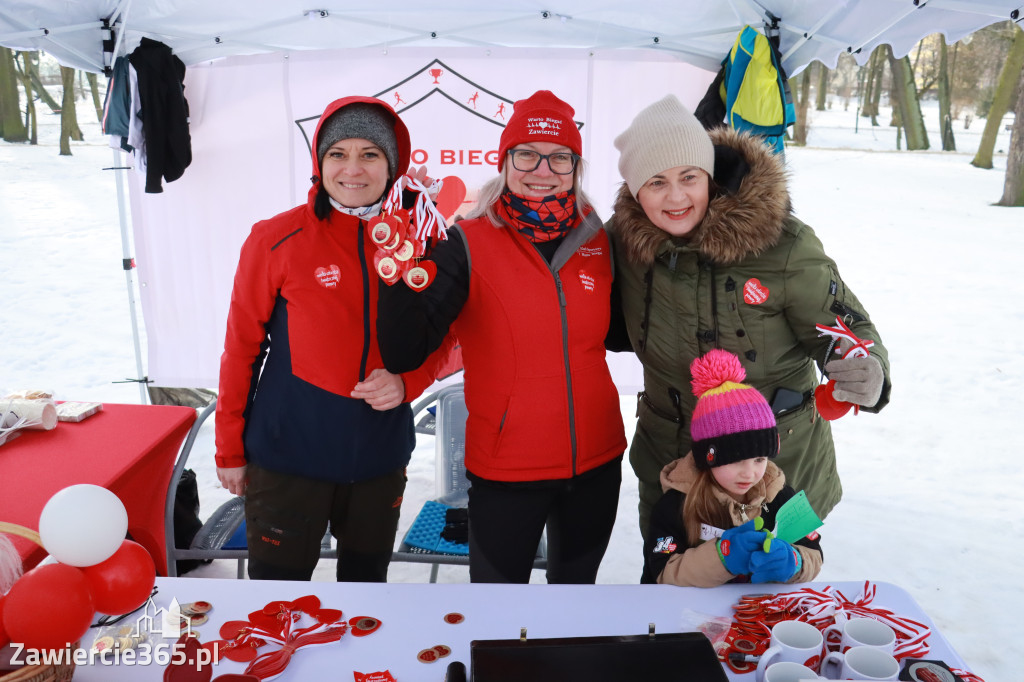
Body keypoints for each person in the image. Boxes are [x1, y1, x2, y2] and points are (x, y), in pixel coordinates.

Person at [608, 94, 890, 542]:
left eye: (689, 177)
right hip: (675, 463)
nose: (676, 196)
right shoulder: (624, 245)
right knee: (673, 584)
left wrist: (866, 366)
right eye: (656, 182)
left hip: (776, 468)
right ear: (635, 190)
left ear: (711, 176)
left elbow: (845, 327)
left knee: (776, 591)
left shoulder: (783, 243)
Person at [377, 90, 627, 584]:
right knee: (497, 611)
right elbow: (411, 345)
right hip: (506, 470)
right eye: (527, 154)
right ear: (505, 160)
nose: (543, 169)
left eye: (560, 157)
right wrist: (398, 266)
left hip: (597, 461)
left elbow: (626, 331)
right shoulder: (465, 242)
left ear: (576, 167)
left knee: (574, 601)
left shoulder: (600, 238)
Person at [215, 96, 456, 582]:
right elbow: (241, 347)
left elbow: (448, 338)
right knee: (274, 600)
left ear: (393, 165)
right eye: (337, 153)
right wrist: (229, 449)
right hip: (288, 456)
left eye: (370, 153)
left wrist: (409, 382)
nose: (353, 168)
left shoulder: (423, 240)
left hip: (377, 457)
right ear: (319, 162)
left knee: (366, 594)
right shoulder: (276, 239)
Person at [643, 349, 823, 586]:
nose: (750, 473)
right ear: (707, 458)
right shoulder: (677, 505)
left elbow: (814, 553)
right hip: (692, 616)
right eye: (736, 460)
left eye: (760, 459)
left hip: (760, 615)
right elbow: (662, 572)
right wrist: (722, 557)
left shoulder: (780, 496)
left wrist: (794, 561)